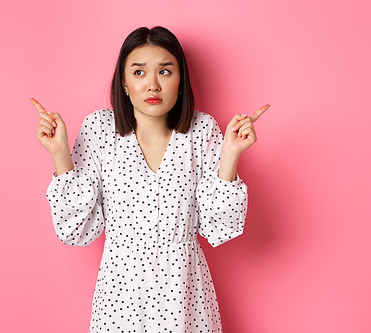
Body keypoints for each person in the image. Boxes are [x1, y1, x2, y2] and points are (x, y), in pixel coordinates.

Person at [31, 26, 269, 333]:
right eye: (139, 72)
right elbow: (76, 230)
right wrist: (60, 153)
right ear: (125, 83)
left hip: (184, 291)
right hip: (120, 294)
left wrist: (231, 154)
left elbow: (219, 228)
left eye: (165, 72)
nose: (152, 85)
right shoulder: (100, 130)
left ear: (181, 80)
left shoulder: (202, 130)